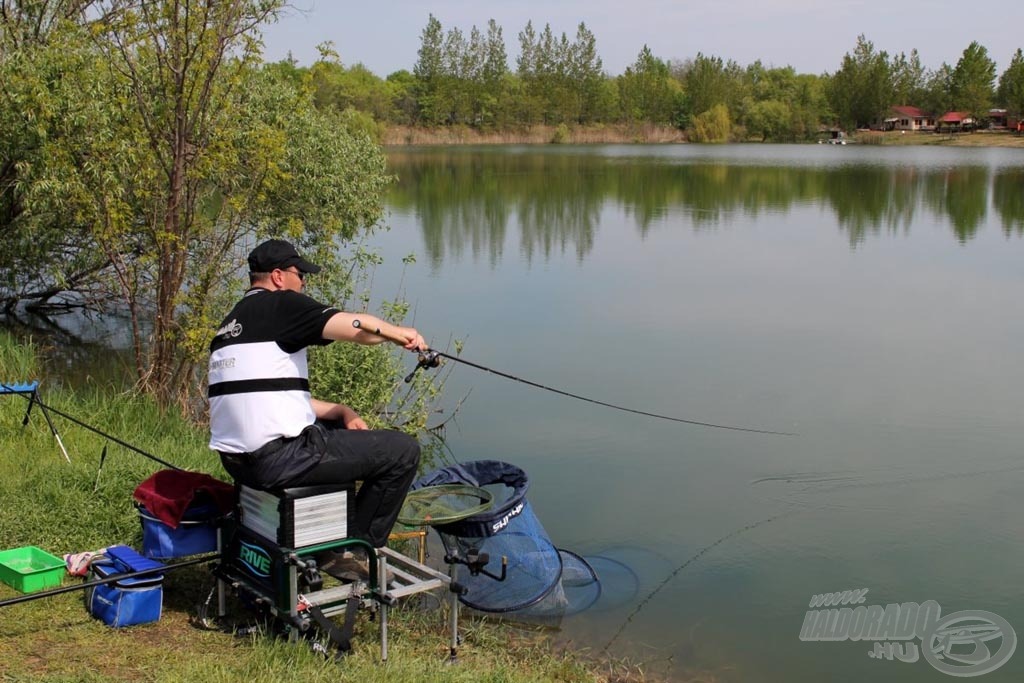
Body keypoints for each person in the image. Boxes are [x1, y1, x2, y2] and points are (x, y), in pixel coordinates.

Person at [208, 239, 424, 574]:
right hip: (279, 458)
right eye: (299, 274)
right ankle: (354, 550)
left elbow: (265, 395)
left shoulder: (229, 325)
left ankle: (324, 540)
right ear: (278, 277)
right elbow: (354, 327)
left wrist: (340, 411)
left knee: (338, 431)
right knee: (403, 452)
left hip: (239, 463)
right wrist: (400, 334)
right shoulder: (281, 305)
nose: (303, 282)